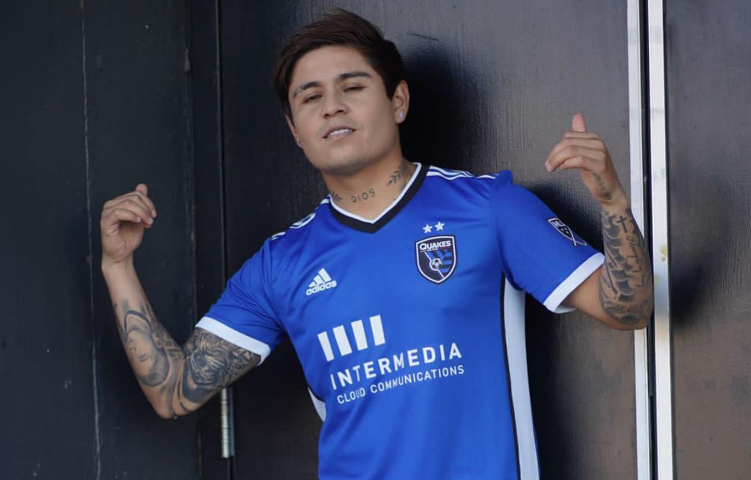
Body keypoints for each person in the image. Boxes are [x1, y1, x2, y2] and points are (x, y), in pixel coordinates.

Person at [99, 9, 653, 480]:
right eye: (310, 97)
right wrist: (118, 265)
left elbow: (627, 309)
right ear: (295, 130)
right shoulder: (280, 264)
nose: (332, 106)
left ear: (398, 101)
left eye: (353, 87)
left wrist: (612, 204)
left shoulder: (490, 209)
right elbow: (174, 391)